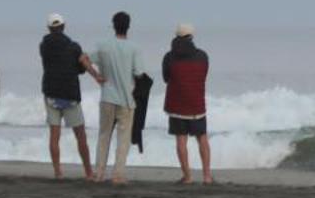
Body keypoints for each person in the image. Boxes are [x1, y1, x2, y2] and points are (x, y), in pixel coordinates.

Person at [39, 13, 103, 180]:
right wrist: (97, 76)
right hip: (70, 94)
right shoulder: (73, 46)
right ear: (64, 26)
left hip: (51, 93)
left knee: (54, 134)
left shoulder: (43, 46)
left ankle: (58, 172)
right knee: (80, 135)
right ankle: (89, 172)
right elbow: (83, 63)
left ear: (49, 28)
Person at [89, 11, 148, 186]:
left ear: (113, 25)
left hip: (107, 97)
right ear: (128, 26)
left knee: (104, 135)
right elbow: (139, 73)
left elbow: (83, 58)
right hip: (126, 99)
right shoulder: (134, 48)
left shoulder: (103, 45)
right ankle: (118, 175)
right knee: (123, 138)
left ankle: (98, 173)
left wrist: (96, 76)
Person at [161, 23, 212, 185]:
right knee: (202, 139)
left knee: (181, 141)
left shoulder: (169, 57)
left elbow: (166, 79)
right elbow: (203, 76)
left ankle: (188, 177)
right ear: (191, 37)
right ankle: (207, 176)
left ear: (176, 36)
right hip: (196, 105)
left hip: (176, 106)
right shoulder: (202, 56)